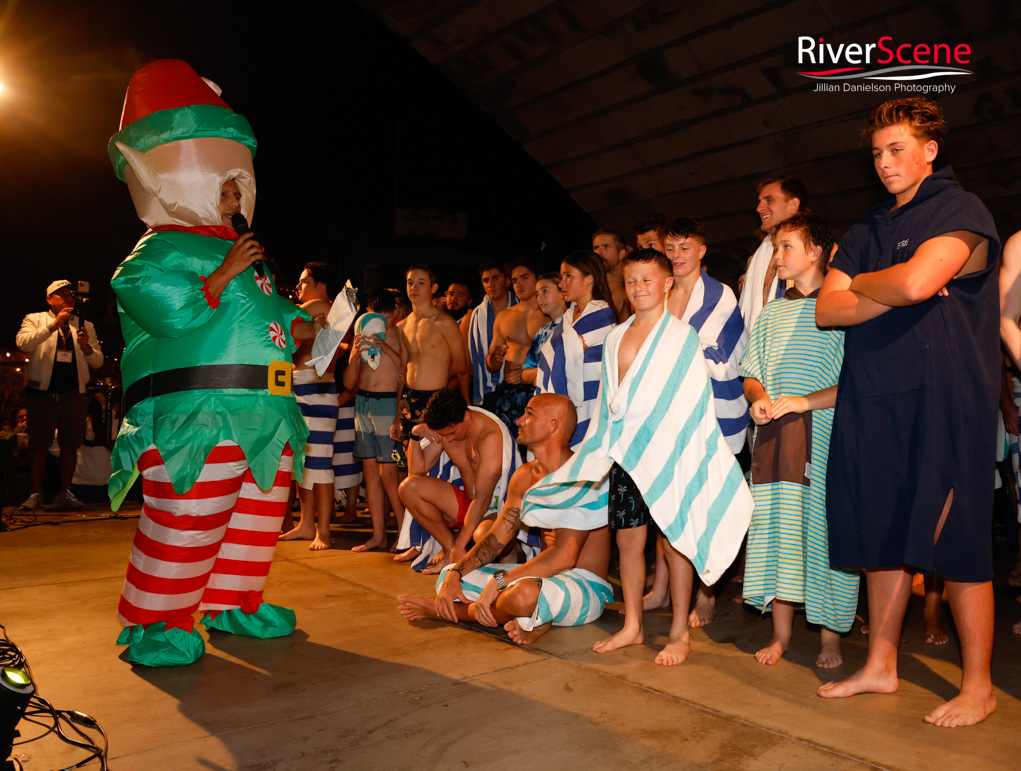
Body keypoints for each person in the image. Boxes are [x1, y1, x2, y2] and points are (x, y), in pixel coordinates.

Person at [106, 60, 324, 666]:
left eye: (237, 189)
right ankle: (155, 623)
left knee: (255, 517)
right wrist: (225, 273)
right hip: (197, 413)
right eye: (223, 190)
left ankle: (234, 603)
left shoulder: (249, 258)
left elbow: (272, 320)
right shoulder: (159, 248)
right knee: (190, 517)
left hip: (265, 412)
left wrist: (312, 329)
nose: (234, 200)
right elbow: (165, 310)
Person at [816, 98, 1000, 727]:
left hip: (945, 394)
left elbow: (918, 285)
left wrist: (865, 282)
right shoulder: (865, 227)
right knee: (881, 531)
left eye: (897, 149)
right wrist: (891, 282)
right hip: (871, 394)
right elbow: (827, 309)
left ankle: (979, 686)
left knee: (957, 535)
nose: (885, 162)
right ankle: (881, 665)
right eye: (877, 153)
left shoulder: (960, 209)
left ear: (929, 150)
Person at [528, 249, 752, 665]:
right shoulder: (616, 336)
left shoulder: (682, 337)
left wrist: (681, 451)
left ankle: (679, 631)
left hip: (669, 455)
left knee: (675, 542)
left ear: (667, 283)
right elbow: (610, 402)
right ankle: (633, 625)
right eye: (631, 281)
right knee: (628, 541)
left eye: (647, 280)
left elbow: (691, 402)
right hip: (626, 455)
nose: (638, 288)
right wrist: (599, 447)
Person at [399, 394, 613, 644]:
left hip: (583, 585)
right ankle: (532, 617)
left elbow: (564, 556)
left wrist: (499, 582)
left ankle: (444, 612)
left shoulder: (581, 475)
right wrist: (457, 571)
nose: (519, 420)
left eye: (529, 414)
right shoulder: (525, 476)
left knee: (522, 595)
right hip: (543, 579)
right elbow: (497, 537)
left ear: (553, 426)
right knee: (449, 577)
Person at [740, 213, 858, 668]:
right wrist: (760, 399)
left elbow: (856, 383)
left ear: (816, 251)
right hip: (774, 440)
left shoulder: (842, 308)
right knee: (778, 531)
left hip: (824, 439)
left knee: (824, 534)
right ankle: (782, 634)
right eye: (776, 248)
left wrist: (805, 402)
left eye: (787, 246)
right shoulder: (771, 312)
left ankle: (831, 638)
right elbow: (751, 373)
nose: (778, 256)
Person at [646, 218, 749, 626]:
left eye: (684, 248)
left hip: (710, 412)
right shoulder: (661, 290)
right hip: (667, 414)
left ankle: (706, 593)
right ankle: (663, 587)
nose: (676, 256)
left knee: (705, 506)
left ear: (702, 250)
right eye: (670, 249)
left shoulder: (720, 295)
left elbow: (725, 353)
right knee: (665, 501)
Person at [398, 389, 516, 574]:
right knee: (408, 487)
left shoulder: (490, 436)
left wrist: (462, 544)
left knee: (483, 536)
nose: (449, 439)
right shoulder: (448, 427)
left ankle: (512, 550)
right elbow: (417, 471)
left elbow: (483, 499)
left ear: (467, 416)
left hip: (492, 510)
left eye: (452, 432)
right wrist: (414, 434)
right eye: (445, 434)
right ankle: (450, 549)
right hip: (466, 505)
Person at [16, 280, 104, 510]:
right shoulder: (34, 319)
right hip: (42, 392)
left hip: (74, 393)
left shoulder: (85, 324)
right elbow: (23, 344)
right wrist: (53, 325)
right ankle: (36, 493)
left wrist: (86, 347)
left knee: (70, 445)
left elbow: (97, 361)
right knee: (39, 444)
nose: (68, 299)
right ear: (49, 299)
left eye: (71, 295)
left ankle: (64, 493)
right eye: (62, 295)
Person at [280, 262, 342, 550]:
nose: (298, 287)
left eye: (304, 281)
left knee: (319, 462)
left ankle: (324, 531)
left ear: (320, 284)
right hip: (301, 386)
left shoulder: (322, 307)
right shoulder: (312, 310)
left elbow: (284, 317)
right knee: (302, 461)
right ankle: (306, 524)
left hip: (317, 389)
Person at [535, 251, 617, 448]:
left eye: (568, 276)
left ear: (589, 279)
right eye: (562, 277)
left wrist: (569, 347)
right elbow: (562, 352)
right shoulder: (569, 316)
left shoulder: (601, 315)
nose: (562, 284)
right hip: (572, 400)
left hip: (590, 402)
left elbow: (566, 353)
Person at [343, 290, 405, 552]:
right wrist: (355, 354)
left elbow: (406, 371)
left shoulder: (399, 335)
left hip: (388, 404)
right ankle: (378, 534)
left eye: (383, 318)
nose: (377, 323)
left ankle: (404, 533)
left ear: (395, 315)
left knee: (388, 475)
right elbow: (349, 383)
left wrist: (386, 347)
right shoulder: (362, 336)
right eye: (372, 317)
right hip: (363, 403)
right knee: (370, 474)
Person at [396, 265, 470, 443]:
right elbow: (402, 373)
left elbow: (461, 365)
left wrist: (436, 374)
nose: (414, 287)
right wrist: (396, 415)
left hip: (436, 399)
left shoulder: (444, 322)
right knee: (407, 455)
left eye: (421, 283)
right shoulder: (402, 326)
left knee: (432, 455)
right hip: (408, 400)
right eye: (410, 283)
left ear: (433, 288)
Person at [738, 177, 808, 337]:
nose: (759, 208)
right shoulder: (757, 257)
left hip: (796, 338)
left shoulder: (817, 247)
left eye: (769, 200)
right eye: (760, 202)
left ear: (793, 205)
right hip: (759, 344)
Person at [486, 259, 546, 442]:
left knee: (539, 444)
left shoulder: (550, 314)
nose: (519, 284)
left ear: (537, 279)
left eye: (524, 278)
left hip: (540, 387)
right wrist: (495, 359)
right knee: (508, 445)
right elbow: (491, 364)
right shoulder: (504, 316)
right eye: (514, 280)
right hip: (509, 391)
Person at [462, 261, 517, 410]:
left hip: (517, 385)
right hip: (485, 389)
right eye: (486, 280)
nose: (490, 284)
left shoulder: (523, 310)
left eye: (495, 278)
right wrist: (466, 398)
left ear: (507, 281)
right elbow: (467, 360)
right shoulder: (474, 315)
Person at [521, 273, 568, 387]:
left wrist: (539, 372)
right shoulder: (542, 331)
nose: (539, 298)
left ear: (563, 292)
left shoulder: (574, 325)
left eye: (545, 291)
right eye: (537, 294)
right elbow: (524, 374)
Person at [592, 228, 632, 321]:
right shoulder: (591, 287)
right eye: (596, 248)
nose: (599, 253)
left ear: (622, 254)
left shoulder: (630, 287)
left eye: (606, 247)